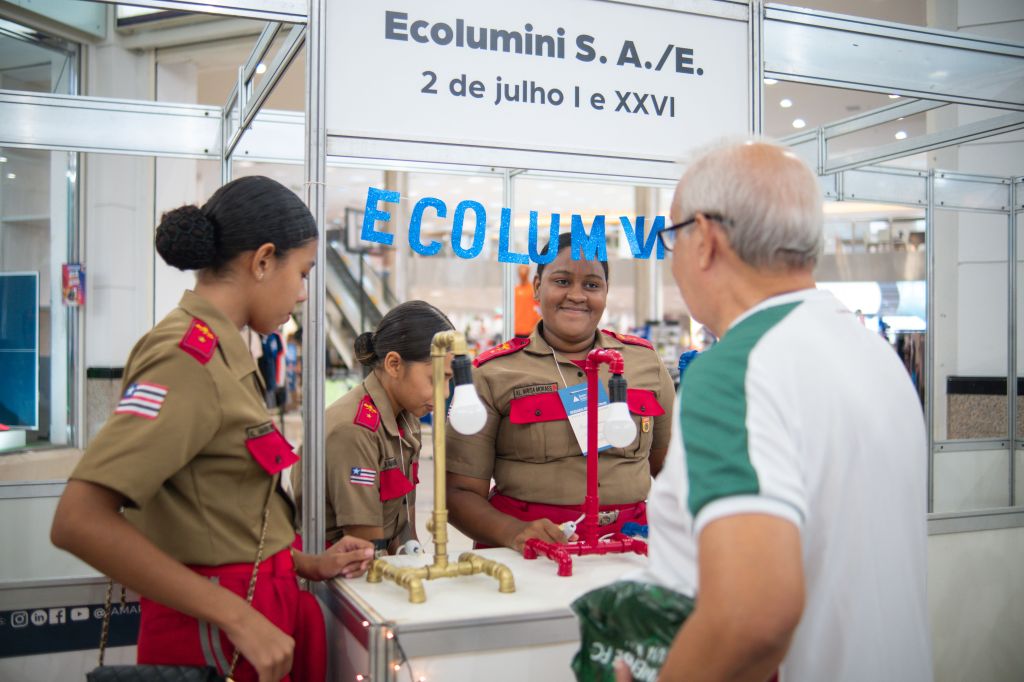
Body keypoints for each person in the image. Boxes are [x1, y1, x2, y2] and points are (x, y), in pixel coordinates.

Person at [621, 141, 931, 681]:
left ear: (706, 240)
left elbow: (753, 617)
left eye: (671, 236)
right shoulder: (870, 352)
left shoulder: (737, 369)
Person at [50, 176, 374, 682]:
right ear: (263, 260)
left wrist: (304, 564)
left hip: (252, 614)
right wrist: (238, 617)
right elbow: (79, 520)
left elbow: (220, 507)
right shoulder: (185, 357)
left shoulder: (225, 353)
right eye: (302, 273)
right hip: (217, 635)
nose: (304, 294)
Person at [447, 233, 676, 551]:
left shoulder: (644, 361)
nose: (577, 296)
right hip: (531, 552)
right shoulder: (493, 372)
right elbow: (459, 492)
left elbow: (670, 471)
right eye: (562, 281)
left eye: (592, 285)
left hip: (633, 545)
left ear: (606, 293)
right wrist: (514, 533)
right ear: (538, 287)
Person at [292, 301, 455, 555]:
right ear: (394, 364)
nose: (443, 393)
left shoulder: (407, 418)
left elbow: (404, 520)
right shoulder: (355, 430)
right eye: (435, 378)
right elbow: (364, 547)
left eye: (448, 379)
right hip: (341, 575)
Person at [514, 263, 541, 337]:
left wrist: (537, 324)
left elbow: (540, 308)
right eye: (521, 272)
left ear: (528, 273)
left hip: (530, 330)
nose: (523, 274)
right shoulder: (515, 291)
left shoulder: (532, 290)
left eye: (525, 272)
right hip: (516, 329)